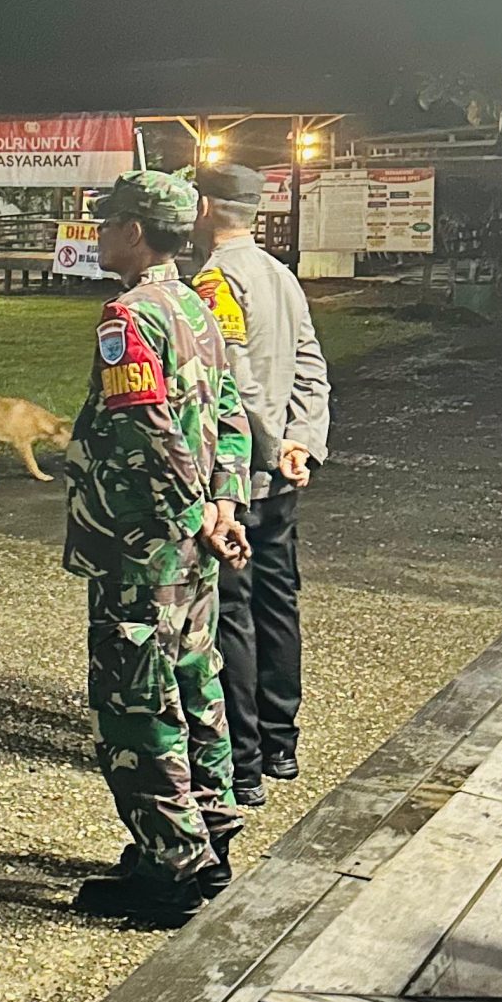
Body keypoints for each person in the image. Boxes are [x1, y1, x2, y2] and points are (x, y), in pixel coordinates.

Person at [62, 170, 252, 930]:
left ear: (135, 232)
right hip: (192, 544)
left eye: (108, 222)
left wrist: (195, 512)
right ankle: (209, 835)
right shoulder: (197, 306)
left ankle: (171, 870)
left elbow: (148, 428)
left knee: (137, 702)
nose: (99, 234)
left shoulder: (131, 315)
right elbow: (229, 412)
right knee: (195, 684)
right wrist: (225, 502)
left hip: (143, 545)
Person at [192, 163, 331, 804]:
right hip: (283, 474)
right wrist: (302, 442)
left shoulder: (216, 280)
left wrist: (273, 451)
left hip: (240, 474)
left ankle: (241, 760)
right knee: (279, 602)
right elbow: (310, 366)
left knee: (233, 612)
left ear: (204, 207)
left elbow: (235, 382)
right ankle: (281, 743)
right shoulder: (281, 274)